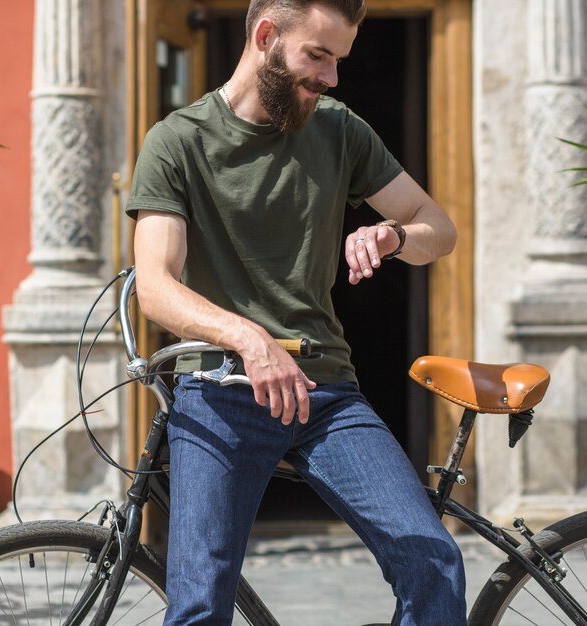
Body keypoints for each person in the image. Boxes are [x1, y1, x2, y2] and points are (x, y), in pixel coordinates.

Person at [126, 0, 466, 623]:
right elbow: (156, 287)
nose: (332, 76)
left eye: (339, 60)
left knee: (433, 559)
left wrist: (392, 236)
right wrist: (248, 339)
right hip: (220, 389)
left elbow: (437, 228)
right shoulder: (177, 142)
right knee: (200, 600)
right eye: (318, 56)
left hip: (326, 389)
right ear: (266, 37)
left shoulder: (339, 128)